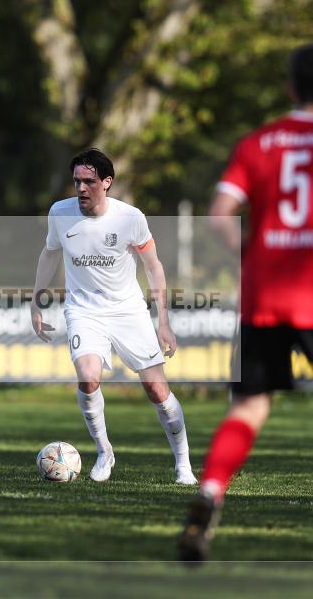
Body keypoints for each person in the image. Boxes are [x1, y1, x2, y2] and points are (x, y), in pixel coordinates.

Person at [177, 44, 313, 566]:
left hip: (264, 293)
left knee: (251, 404)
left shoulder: (258, 142)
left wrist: (250, 253)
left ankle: (209, 490)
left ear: (291, 88)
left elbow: (219, 215)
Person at [30, 147, 196, 485]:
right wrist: (35, 300)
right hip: (83, 310)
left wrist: (163, 320)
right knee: (88, 377)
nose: (81, 188)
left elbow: (153, 266)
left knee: (156, 390)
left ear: (107, 182)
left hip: (128, 311)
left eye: (89, 181)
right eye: (76, 181)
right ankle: (105, 451)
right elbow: (49, 255)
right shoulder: (60, 213)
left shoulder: (130, 217)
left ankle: (184, 464)